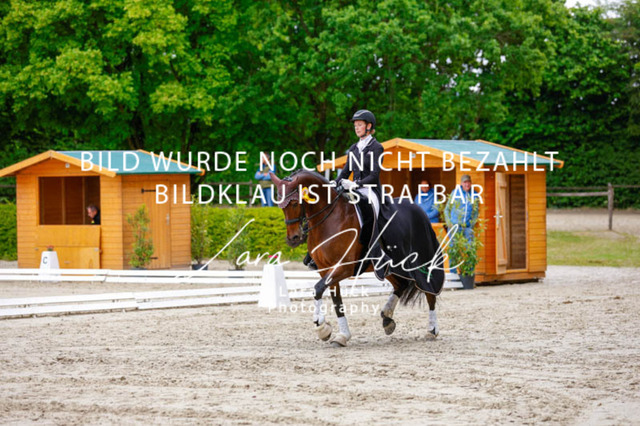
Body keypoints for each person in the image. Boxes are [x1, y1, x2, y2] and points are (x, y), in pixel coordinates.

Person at [303, 109, 386, 276]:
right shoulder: (354, 148)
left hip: (370, 190)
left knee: (371, 212)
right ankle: (314, 253)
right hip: (353, 188)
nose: (357, 128)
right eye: (355, 125)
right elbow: (346, 171)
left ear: (369, 126)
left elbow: (374, 175)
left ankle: (376, 253)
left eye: (360, 125)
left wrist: (356, 184)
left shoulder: (377, 148)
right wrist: (335, 182)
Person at [444, 174, 480, 275]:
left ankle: (469, 273)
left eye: (468, 182)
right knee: (453, 249)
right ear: (461, 183)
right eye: (465, 182)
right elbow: (447, 209)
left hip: (467, 228)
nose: (467, 184)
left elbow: (475, 212)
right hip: (454, 227)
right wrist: (449, 223)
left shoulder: (474, 194)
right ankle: (453, 273)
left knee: (470, 249)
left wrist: (471, 225)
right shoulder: (455, 193)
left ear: (471, 183)